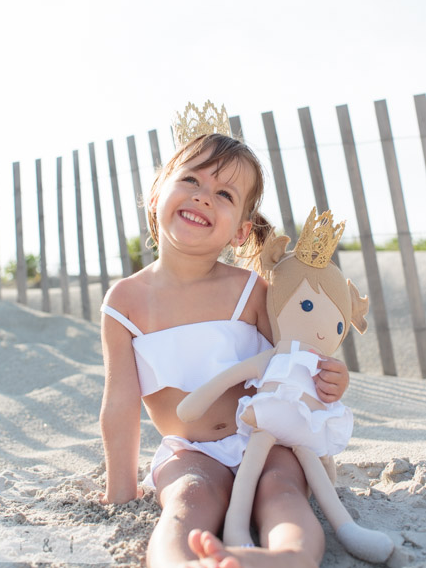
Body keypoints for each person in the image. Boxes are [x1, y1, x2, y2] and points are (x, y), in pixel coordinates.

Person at [99, 108, 349, 568]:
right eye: (191, 180)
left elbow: (296, 358)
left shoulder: (249, 289)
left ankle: (289, 555)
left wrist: (333, 379)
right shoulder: (126, 300)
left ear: (240, 230)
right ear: (158, 192)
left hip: (266, 437)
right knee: (187, 498)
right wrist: (120, 489)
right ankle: (182, 562)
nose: (203, 197)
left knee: (283, 491)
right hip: (190, 447)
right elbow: (120, 400)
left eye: (224, 193)